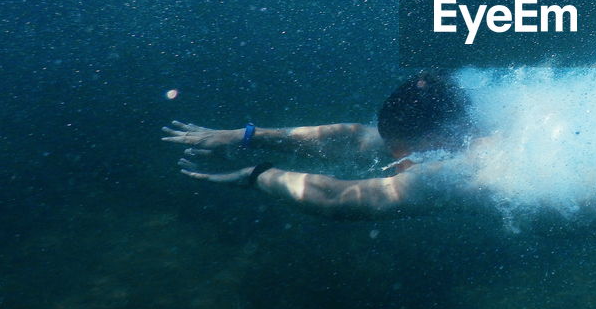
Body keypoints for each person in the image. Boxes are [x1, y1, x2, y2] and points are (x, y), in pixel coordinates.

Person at [162, 74, 487, 218]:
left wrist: (257, 176)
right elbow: (358, 140)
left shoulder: (473, 169)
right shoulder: (476, 119)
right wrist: (248, 135)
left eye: (402, 154)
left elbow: (339, 200)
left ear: (440, 138)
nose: (395, 164)